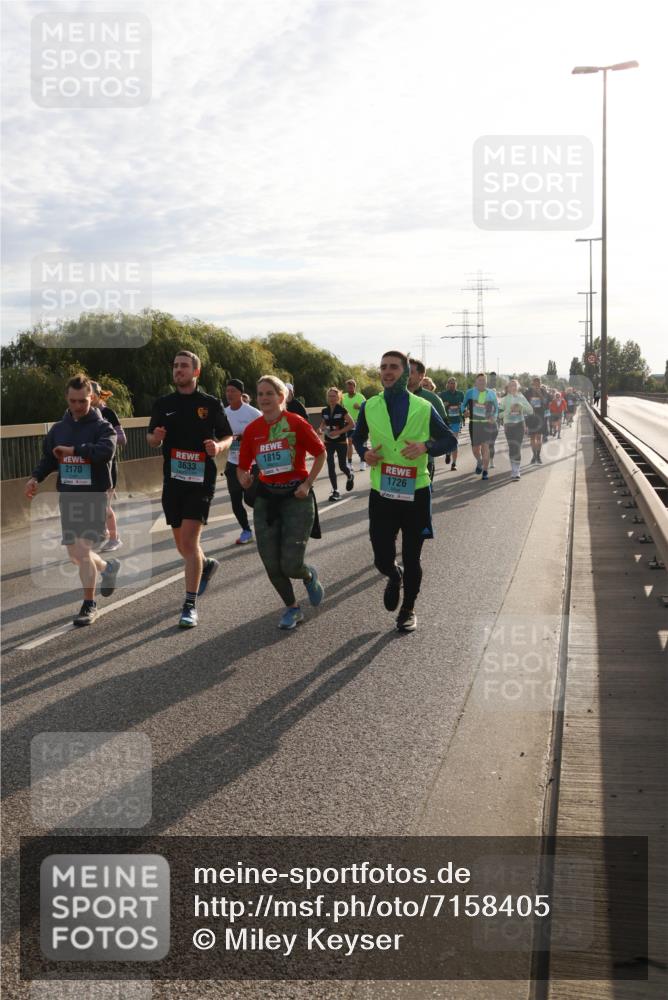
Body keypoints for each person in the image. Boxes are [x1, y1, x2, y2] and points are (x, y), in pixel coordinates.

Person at [352, 350, 458, 632]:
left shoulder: (423, 407)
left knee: (412, 557)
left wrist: (426, 446)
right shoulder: (370, 406)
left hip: (416, 493)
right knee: (381, 558)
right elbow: (357, 436)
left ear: (406, 372)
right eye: (383, 367)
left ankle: (408, 609)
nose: (387, 371)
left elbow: (449, 439)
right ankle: (393, 574)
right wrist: (364, 453)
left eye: (394, 367)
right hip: (382, 494)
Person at [24, 374, 119, 626]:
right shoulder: (58, 429)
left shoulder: (103, 427)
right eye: (73, 401)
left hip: (94, 496)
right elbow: (49, 458)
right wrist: (35, 478)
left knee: (83, 550)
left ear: (92, 398)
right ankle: (107, 568)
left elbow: (106, 451)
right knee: (75, 555)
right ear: (67, 398)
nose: (78, 406)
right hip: (68, 496)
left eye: (83, 401)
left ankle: (89, 604)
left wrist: (75, 451)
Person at [147, 351, 232, 628]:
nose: (178, 370)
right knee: (182, 546)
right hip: (173, 481)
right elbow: (151, 438)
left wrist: (218, 446)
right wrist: (156, 438)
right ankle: (205, 565)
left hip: (200, 481)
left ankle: (189, 605)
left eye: (184, 366)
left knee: (190, 542)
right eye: (175, 366)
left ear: (196, 372)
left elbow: (228, 435)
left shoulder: (210, 403)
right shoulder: (163, 404)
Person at [237, 376, 326, 630]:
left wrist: (307, 484)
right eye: (260, 394)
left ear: (281, 397)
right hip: (267, 499)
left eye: (270, 393)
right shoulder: (252, 430)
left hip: (296, 497)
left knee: (291, 564)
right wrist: (243, 477)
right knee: (271, 564)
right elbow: (242, 467)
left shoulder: (296, 423)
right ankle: (292, 608)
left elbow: (320, 453)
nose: (264, 398)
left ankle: (307, 574)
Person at [223, 378, 261, 544]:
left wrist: (247, 437)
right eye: (227, 391)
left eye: (233, 391)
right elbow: (220, 435)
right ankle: (246, 530)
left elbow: (264, 433)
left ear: (241, 393)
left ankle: (266, 521)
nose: (229, 394)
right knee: (235, 499)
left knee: (251, 498)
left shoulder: (253, 413)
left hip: (252, 463)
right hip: (233, 462)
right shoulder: (223, 413)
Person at [90, 381, 126, 552]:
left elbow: (122, 439)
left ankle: (114, 539)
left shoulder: (107, 413)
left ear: (97, 395)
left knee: (103, 505)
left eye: (89, 394)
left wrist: (103, 440)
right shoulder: (82, 415)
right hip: (90, 466)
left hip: (107, 466)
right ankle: (103, 532)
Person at [407, 359, 448, 482]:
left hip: (424, 461)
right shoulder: (392, 398)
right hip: (395, 462)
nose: (406, 375)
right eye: (404, 371)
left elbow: (445, 431)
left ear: (421, 375)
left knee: (420, 493)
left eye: (410, 372)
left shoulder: (432, 399)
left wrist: (427, 445)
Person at [318, 387, 354, 501]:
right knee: (330, 465)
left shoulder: (342, 410)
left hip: (341, 442)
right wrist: (320, 429)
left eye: (334, 396)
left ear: (338, 398)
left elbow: (352, 424)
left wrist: (338, 432)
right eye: (329, 396)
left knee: (342, 466)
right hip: (328, 442)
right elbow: (323, 423)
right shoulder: (324, 411)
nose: (331, 398)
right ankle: (335, 491)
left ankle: (350, 475)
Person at [462, 373, 498, 481]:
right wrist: (464, 412)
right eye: (480, 380)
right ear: (476, 382)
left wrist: (494, 417)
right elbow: (463, 405)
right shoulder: (470, 393)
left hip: (487, 424)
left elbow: (496, 408)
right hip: (474, 424)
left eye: (484, 380)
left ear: (486, 382)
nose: (482, 382)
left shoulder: (491, 393)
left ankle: (485, 471)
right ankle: (479, 461)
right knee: (475, 449)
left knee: (485, 447)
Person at [498, 380, 533, 480]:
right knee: (512, 447)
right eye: (511, 386)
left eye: (515, 385)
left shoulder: (521, 397)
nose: (513, 387)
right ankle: (513, 468)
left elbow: (530, 410)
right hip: (508, 425)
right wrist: (509, 410)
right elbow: (499, 415)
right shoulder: (504, 399)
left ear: (517, 387)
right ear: (508, 388)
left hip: (519, 424)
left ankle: (516, 470)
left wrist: (521, 407)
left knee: (517, 446)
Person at [438, 377, 465, 470]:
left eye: (453, 383)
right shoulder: (443, 394)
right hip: (446, 421)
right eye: (450, 383)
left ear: (456, 384)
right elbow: (438, 407)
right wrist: (443, 404)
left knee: (454, 440)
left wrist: (463, 408)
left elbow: (464, 405)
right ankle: (448, 453)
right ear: (447, 384)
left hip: (456, 420)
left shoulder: (460, 394)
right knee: (447, 440)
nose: (452, 385)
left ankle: (454, 463)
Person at [341, 378, 367, 470]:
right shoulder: (343, 397)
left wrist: (359, 407)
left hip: (359, 422)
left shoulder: (361, 397)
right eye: (348, 387)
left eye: (351, 387)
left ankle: (363, 461)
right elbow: (340, 408)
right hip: (348, 423)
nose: (349, 389)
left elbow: (367, 408)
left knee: (361, 442)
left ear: (354, 387)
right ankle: (349, 463)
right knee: (350, 442)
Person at [523, 377, 550, 464]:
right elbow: (524, 402)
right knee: (532, 437)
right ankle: (534, 455)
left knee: (539, 437)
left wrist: (540, 394)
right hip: (531, 417)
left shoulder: (543, 391)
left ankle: (538, 456)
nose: (537, 384)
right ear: (532, 383)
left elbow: (546, 402)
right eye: (535, 383)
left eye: (538, 383)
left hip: (540, 417)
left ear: (540, 383)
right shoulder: (528, 392)